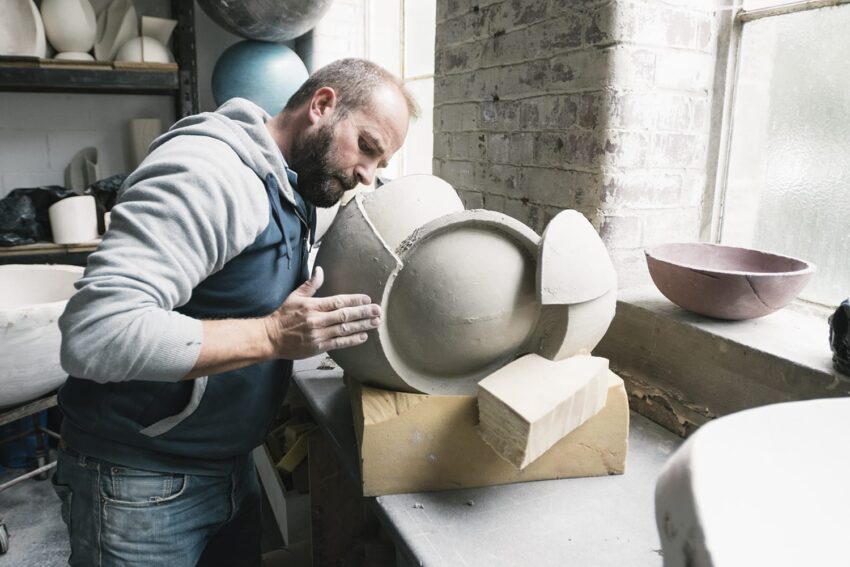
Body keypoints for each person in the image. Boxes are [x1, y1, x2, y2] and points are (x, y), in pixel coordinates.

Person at [52, 58, 417, 566]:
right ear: (322, 105)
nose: (367, 175)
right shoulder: (209, 173)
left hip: (225, 465)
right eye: (368, 149)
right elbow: (95, 333)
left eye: (380, 163)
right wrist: (272, 336)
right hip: (138, 481)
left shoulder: (295, 181)